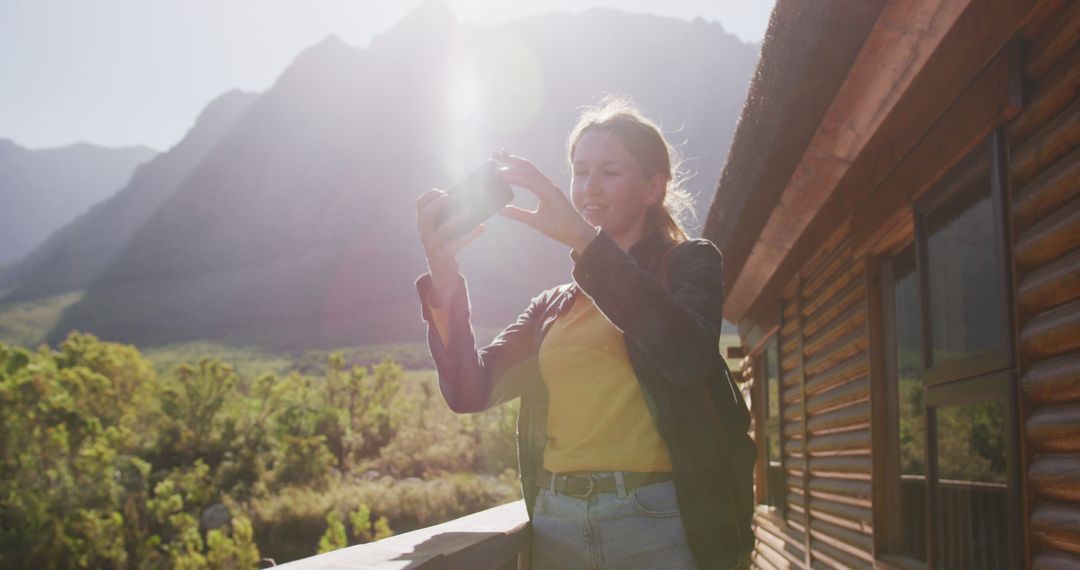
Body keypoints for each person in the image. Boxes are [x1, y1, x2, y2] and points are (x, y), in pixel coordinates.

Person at [414, 97, 755, 569]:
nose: (590, 187)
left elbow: (687, 355)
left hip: (658, 522)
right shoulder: (553, 306)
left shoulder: (689, 264)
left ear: (653, 187)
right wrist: (445, 275)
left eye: (609, 172)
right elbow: (469, 390)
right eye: (580, 172)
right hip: (558, 524)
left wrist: (582, 240)